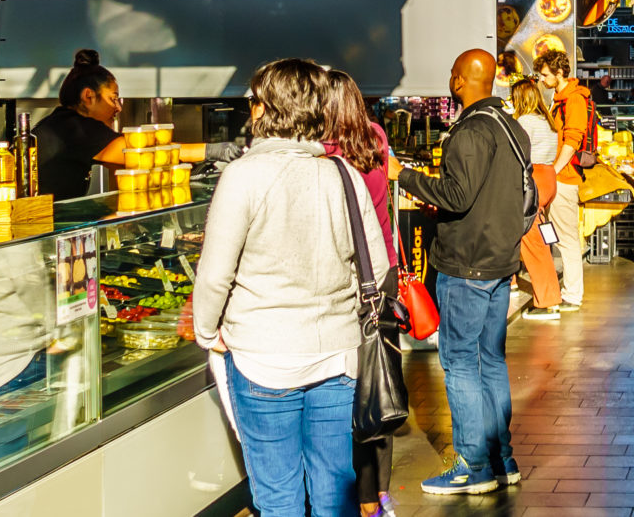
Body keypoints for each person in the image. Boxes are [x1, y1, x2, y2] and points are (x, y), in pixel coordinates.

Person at [191, 59, 386, 517]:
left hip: (263, 357)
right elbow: (374, 267)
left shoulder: (242, 175)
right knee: (334, 486)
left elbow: (215, 273)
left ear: (265, 109)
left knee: (277, 495)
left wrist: (207, 331)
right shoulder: (345, 176)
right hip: (337, 354)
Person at [395, 48, 533, 496]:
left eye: (452, 75)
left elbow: (457, 195)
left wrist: (406, 176)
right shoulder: (513, 129)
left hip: (467, 265)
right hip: (499, 260)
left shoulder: (468, 131)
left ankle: (472, 466)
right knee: (490, 360)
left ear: (459, 80)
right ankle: (501, 457)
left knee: (458, 364)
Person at [316, 69, 397, 517]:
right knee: (376, 385)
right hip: (381, 275)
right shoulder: (376, 137)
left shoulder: (327, 154)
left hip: (346, 279)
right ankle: (378, 493)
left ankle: (356, 496)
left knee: (347, 390)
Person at [29, 50, 218, 200]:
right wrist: (213, 151)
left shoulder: (62, 121)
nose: (118, 108)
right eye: (113, 99)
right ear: (89, 96)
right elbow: (143, 152)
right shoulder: (76, 129)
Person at [537, 48, 597, 312]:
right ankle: (568, 290)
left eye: (545, 74)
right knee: (560, 237)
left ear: (559, 72)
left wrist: (553, 171)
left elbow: (572, 140)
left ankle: (573, 293)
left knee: (567, 239)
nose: (541, 79)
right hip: (560, 176)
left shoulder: (572, 100)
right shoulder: (562, 97)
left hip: (563, 177)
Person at [508, 82, 562, 321]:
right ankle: (511, 281)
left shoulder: (524, 122)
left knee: (534, 244)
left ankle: (549, 301)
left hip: (532, 180)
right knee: (522, 234)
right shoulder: (547, 121)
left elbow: (514, 153)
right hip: (548, 178)